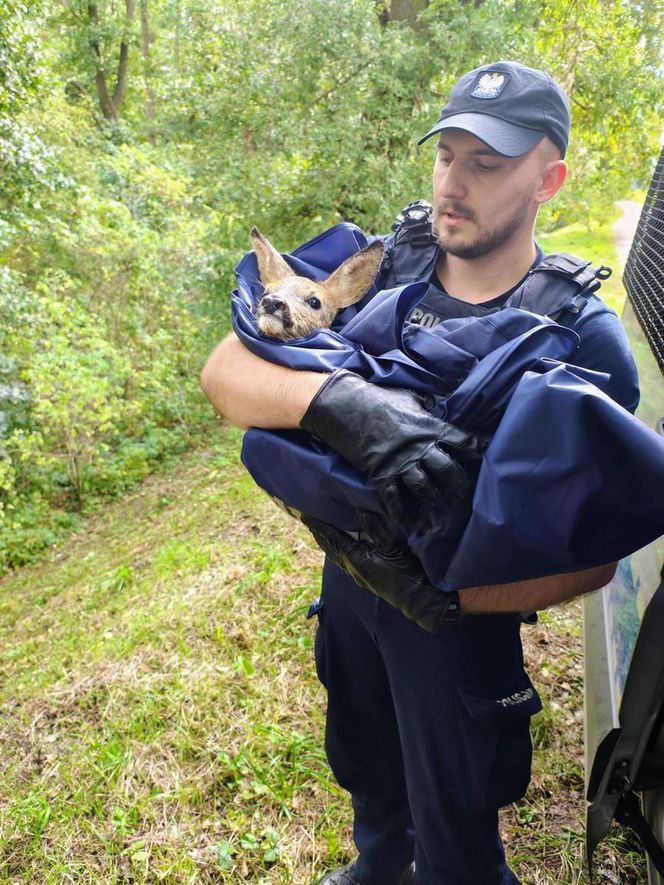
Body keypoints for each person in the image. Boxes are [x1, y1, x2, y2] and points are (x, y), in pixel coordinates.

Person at [201, 61, 639, 885]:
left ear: (550, 178)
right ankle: (377, 864)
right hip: (347, 587)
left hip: (454, 624)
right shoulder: (384, 263)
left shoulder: (578, 337)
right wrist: (338, 404)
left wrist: (443, 596)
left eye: (488, 162)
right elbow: (227, 369)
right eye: (447, 155)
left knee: (457, 822)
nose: (453, 183)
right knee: (365, 756)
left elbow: (595, 554)